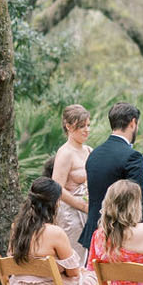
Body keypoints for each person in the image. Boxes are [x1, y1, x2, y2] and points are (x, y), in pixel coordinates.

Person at [78, 102, 143, 252]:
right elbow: (138, 201)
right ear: (133, 123)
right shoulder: (133, 157)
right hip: (122, 236)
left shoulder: (94, 154)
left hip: (95, 233)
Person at [51, 103, 93, 256]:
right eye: (82, 126)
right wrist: (82, 206)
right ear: (68, 126)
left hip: (90, 212)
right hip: (71, 215)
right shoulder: (65, 153)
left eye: (88, 125)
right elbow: (57, 187)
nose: (86, 130)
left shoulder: (89, 150)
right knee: (75, 257)